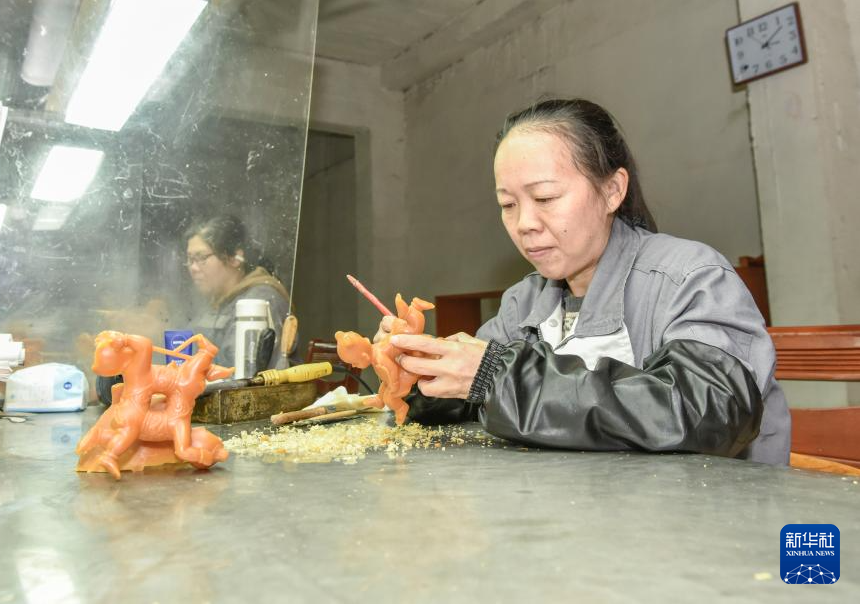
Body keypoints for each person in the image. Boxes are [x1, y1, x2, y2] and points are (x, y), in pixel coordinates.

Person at [386, 99, 790, 465]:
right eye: (508, 204)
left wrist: (497, 377)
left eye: (545, 198)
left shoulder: (690, 278)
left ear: (612, 190)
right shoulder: (523, 302)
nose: (524, 223)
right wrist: (415, 377)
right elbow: (471, 393)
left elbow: (707, 411)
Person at [185, 215, 290, 370]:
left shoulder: (261, 299)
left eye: (201, 258)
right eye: (190, 259)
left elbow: (244, 371)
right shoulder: (219, 302)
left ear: (235, 258)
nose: (193, 268)